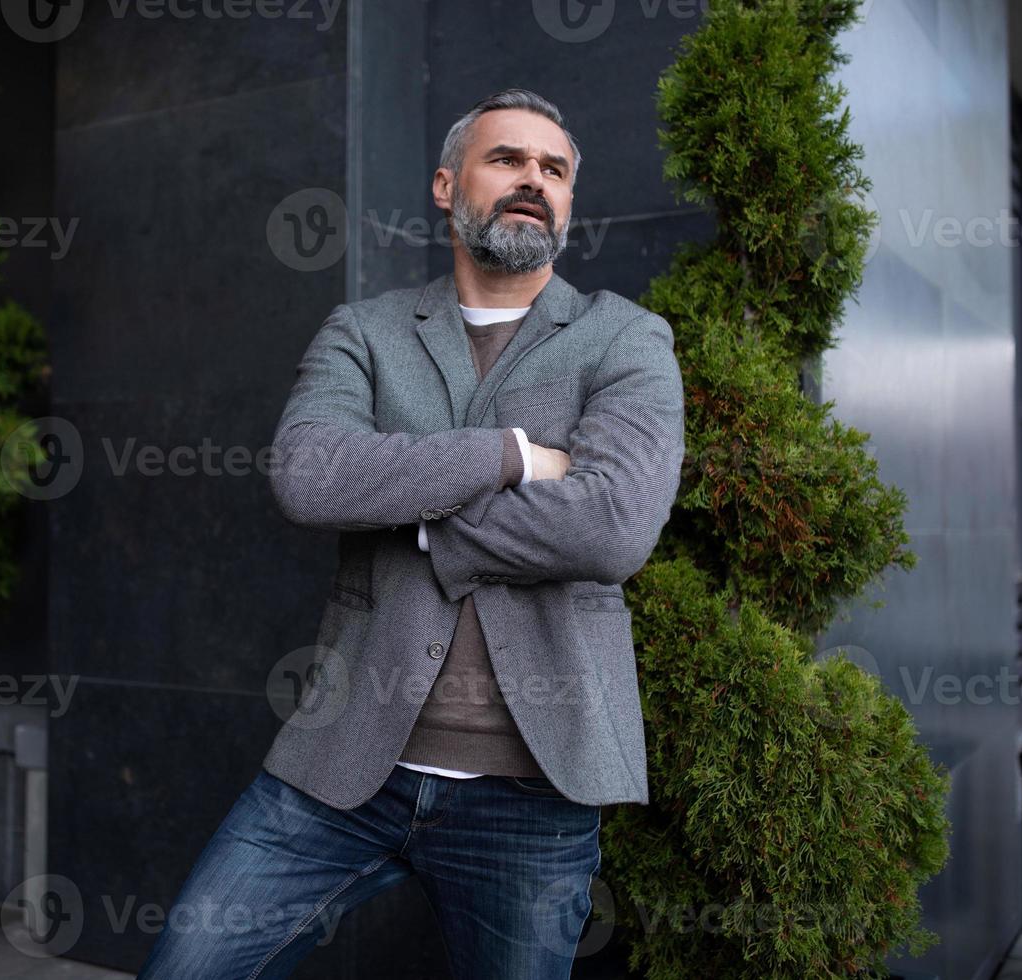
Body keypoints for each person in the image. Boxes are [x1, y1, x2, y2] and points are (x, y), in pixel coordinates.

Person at [138, 87, 685, 979]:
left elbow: (613, 527)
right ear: (445, 184)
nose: (532, 182)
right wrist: (513, 453)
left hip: (534, 794)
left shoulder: (623, 338)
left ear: (570, 202)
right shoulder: (366, 331)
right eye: (506, 159)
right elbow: (310, 478)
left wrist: (426, 529)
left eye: (554, 170)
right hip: (343, 764)